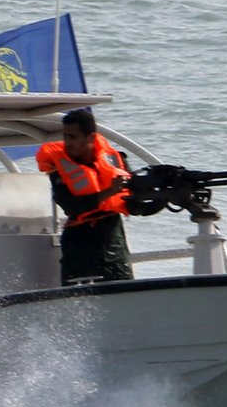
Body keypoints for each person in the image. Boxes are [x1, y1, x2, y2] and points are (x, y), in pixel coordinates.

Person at [34, 107, 145, 284]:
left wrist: (149, 194)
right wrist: (109, 192)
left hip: (113, 241)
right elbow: (71, 206)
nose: (67, 142)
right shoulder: (59, 171)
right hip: (79, 246)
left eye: (73, 137)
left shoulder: (117, 162)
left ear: (91, 137)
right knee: (79, 298)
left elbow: (135, 207)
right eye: (65, 136)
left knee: (124, 291)